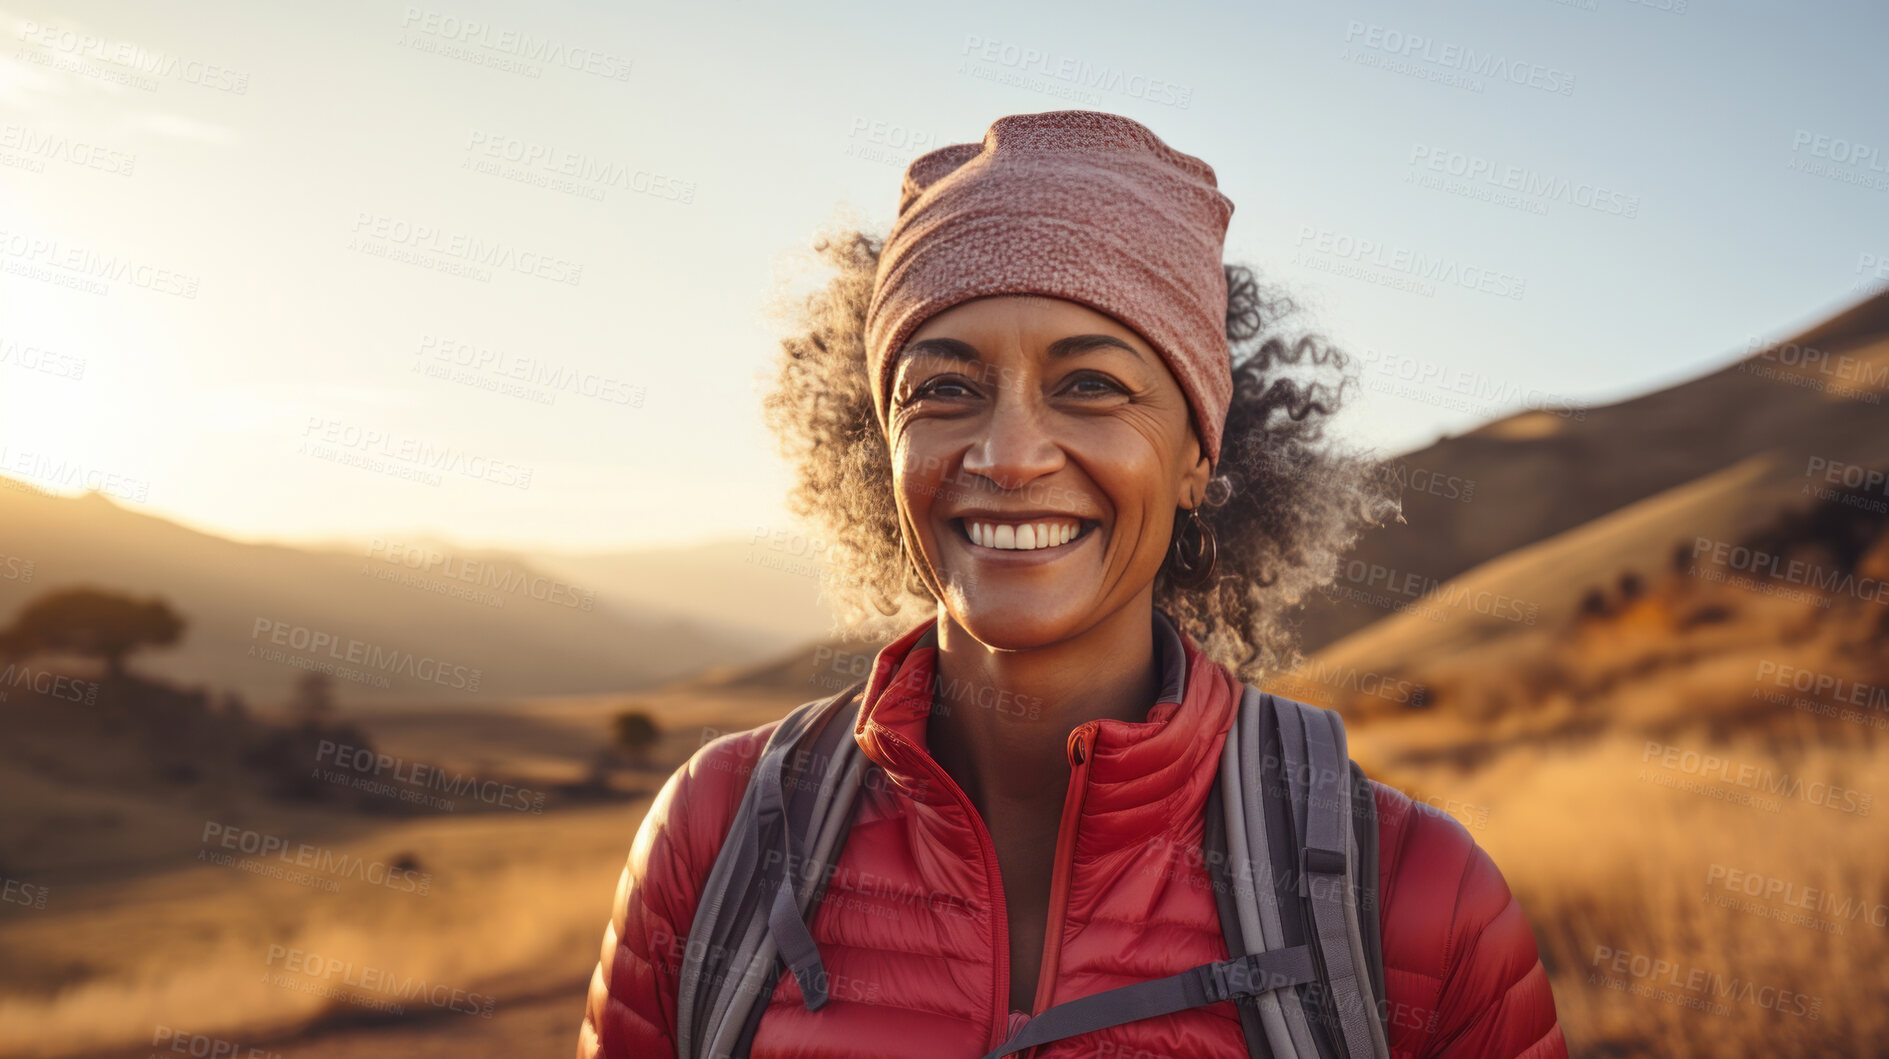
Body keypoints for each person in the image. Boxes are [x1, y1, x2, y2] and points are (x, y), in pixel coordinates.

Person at [577, 109, 1566, 1058]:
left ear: (1195, 459)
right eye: (943, 388)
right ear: (882, 443)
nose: (1008, 455)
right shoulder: (716, 837)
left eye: (1089, 384)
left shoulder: (1413, 901)